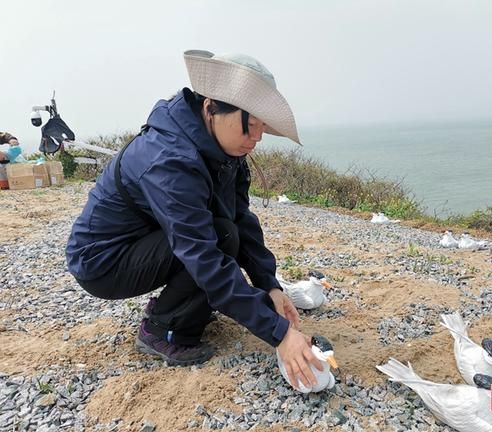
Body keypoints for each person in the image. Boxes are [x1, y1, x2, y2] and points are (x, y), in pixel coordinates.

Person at [66, 50, 323, 389]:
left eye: (263, 127)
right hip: (103, 261)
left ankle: (181, 308)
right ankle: (160, 329)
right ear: (211, 108)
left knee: (228, 231)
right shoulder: (170, 160)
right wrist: (279, 335)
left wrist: (270, 286)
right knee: (218, 239)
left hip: (150, 240)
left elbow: (242, 218)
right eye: (251, 124)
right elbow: (201, 254)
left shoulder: (223, 150)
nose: (257, 137)